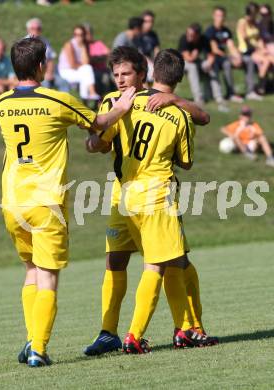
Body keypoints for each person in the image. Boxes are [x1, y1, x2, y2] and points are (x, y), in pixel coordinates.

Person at [0, 37, 135, 367]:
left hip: (13, 201)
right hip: (47, 202)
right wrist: (120, 108)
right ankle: (39, 348)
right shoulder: (57, 100)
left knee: (30, 271)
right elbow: (98, 124)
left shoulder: (0, 104)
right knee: (48, 277)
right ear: (42, 65)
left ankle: (32, 339)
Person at [84, 46, 217, 356]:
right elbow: (97, 142)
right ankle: (114, 333)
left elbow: (203, 116)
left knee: (172, 260)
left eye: (125, 73)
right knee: (139, 261)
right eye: (115, 74)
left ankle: (187, 327)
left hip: (130, 195)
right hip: (142, 194)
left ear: (144, 74)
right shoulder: (116, 103)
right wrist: (100, 138)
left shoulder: (151, 104)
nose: (119, 79)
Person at [205, 6, 260, 104]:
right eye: (218, 15)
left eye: (222, 16)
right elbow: (215, 50)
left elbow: (230, 46)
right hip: (215, 58)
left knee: (249, 60)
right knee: (227, 63)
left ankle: (250, 92)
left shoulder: (226, 31)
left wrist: (237, 56)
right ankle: (231, 93)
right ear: (214, 16)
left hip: (225, 56)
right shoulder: (210, 31)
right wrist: (230, 57)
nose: (220, 18)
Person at [236, 2, 274, 95]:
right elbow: (245, 40)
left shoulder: (255, 24)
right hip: (246, 50)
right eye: (257, 13)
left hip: (255, 50)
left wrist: (262, 48)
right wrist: (259, 48)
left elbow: (259, 39)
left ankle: (263, 86)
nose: (258, 16)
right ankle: (260, 87)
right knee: (266, 60)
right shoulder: (243, 22)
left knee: (270, 58)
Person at [25, 18, 68, 91]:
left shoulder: (45, 41)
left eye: (38, 29)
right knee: (45, 83)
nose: (36, 31)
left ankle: (64, 102)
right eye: (33, 28)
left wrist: (50, 73)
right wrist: (41, 75)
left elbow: (50, 59)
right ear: (28, 30)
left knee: (63, 82)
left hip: (46, 73)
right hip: (32, 75)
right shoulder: (24, 43)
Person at [58, 25, 99, 101]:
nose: (78, 37)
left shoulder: (85, 45)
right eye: (76, 34)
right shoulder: (69, 45)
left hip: (77, 69)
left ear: (84, 35)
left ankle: (85, 97)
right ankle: (91, 94)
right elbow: (72, 65)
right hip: (66, 70)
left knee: (86, 70)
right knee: (86, 70)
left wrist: (83, 46)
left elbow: (86, 61)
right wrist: (84, 65)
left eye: (81, 35)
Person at [178, 23, 213, 105]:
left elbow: (211, 55)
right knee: (192, 67)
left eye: (191, 35)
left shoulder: (204, 39)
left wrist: (209, 63)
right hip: (182, 63)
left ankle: (212, 96)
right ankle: (198, 98)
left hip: (196, 60)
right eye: (188, 33)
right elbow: (188, 58)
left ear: (198, 35)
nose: (189, 36)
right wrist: (195, 54)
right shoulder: (184, 39)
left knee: (208, 66)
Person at [83, 23, 112, 95]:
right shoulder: (83, 46)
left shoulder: (98, 43)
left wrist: (95, 59)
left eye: (89, 33)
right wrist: (100, 58)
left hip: (103, 70)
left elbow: (108, 54)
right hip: (91, 72)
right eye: (85, 34)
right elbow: (86, 61)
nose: (88, 36)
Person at [134, 10, 160, 83]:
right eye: (147, 21)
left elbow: (156, 49)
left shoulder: (153, 34)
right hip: (139, 60)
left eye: (151, 21)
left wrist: (157, 62)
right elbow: (138, 52)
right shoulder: (137, 34)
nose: (150, 24)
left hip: (150, 60)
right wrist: (150, 63)